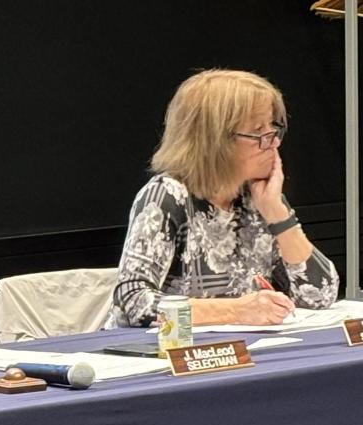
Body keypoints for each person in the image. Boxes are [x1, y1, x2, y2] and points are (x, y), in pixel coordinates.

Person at [109, 69, 339, 328]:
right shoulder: (167, 195)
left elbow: (320, 295)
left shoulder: (257, 197)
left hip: (241, 352)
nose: (273, 143)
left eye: (273, 129)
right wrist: (236, 311)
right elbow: (133, 302)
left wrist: (277, 213)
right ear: (215, 141)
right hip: (165, 357)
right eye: (258, 133)